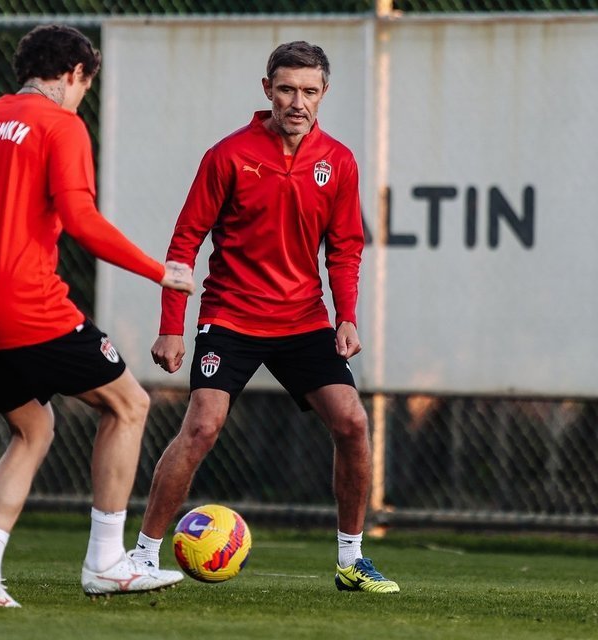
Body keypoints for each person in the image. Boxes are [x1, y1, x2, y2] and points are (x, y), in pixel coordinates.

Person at [0, 24, 194, 606]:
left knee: (32, 429)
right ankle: (106, 562)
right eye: (84, 88)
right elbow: (82, 221)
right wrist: (159, 271)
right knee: (129, 405)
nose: (81, 100)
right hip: (28, 304)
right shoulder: (60, 124)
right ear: (75, 74)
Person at [131, 41, 399, 594]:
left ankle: (351, 560)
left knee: (352, 423)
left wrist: (346, 317)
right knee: (201, 427)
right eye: (286, 89)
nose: (297, 102)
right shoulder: (228, 155)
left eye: (309, 91)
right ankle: (141, 556)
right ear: (267, 90)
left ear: (324, 93)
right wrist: (171, 326)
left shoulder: (339, 161)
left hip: (303, 320)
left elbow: (345, 249)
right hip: (230, 316)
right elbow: (185, 241)